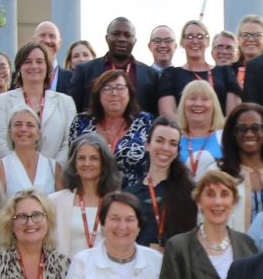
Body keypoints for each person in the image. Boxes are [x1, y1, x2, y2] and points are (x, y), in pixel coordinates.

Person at [68, 67, 153, 195]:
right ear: (98, 94)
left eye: (120, 88)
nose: (114, 93)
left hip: (134, 198)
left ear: (129, 93)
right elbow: (72, 162)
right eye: (107, 88)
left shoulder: (146, 122)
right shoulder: (81, 122)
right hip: (89, 198)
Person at [0, 41, 76, 160]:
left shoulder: (66, 103)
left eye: (39, 62)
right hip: (13, 173)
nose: (34, 66)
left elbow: (69, 143)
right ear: (19, 67)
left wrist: (52, 169)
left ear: (47, 67)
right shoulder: (2, 101)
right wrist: (19, 168)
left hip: (55, 174)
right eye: (27, 62)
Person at [67, 15, 159, 114]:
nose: (122, 39)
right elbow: (73, 110)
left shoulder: (151, 75)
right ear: (107, 38)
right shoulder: (84, 71)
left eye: (127, 35)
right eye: (116, 34)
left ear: (134, 41)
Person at [219, 102, 263, 235]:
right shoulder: (217, 172)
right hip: (231, 250)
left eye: (256, 128)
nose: (249, 134)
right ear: (233, 132)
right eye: (242, 129)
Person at [50, 136, 118, 257]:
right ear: (74, 164)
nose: (87, 163)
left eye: (94, 158)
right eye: (81, 158)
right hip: (68, 273)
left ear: (103, 164)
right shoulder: (55, 201)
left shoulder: (117, 202)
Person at [136, 119, 196, 248]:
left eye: (173, 143)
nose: (165, 148)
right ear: (147, 145)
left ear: (177, 151)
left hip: (176, 264)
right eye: (159, 140)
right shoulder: (131, 194)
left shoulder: (190, 192)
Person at [157, 18, 222, 119]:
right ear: (182, 42)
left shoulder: (223, 72)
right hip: (182, 133)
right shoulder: (170, 75)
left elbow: (233, 111)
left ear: (208, 41)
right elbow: (167, 114)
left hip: (219, 133)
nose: (195, 41)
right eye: (189, 36)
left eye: (200, 36)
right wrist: (192, 132)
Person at [0, 107, 59, 198]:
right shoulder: (0, 167)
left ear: (38, 134)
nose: (23, 129)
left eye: (30, 125)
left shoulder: (54, 167)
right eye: (17, 124)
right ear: (10, 132)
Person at [172, 79, 225, 179]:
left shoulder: (225, 138)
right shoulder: (174, 137)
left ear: (214, 105)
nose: (198, 104)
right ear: (183, 104)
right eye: (192, 98)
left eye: (205, 99)